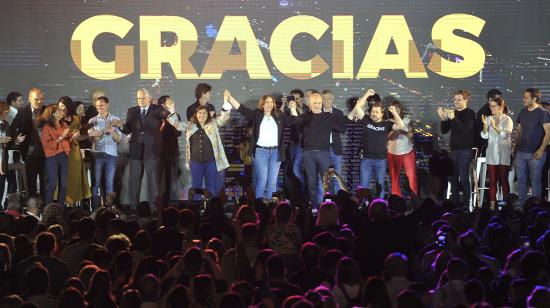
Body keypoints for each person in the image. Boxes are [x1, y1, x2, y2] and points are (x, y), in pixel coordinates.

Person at [226, 90, 294, 200]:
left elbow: (294, 121)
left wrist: (293, 108)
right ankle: (259, 205)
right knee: (262, 179)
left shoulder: (278, 115)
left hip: (276, 152)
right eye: (267, 102)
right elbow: (242, 109)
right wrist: (230, 98)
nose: (270, 104)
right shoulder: (257, 114)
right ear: (262, 104)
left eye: (271, 102)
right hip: (261, 152)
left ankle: (270, 206)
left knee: (272, 180)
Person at [115, 88, 173, 212]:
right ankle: (133, 207)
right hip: (136, 150)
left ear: (149, 98)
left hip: (151, 151)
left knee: (152, 182)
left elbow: (165, 115)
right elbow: (128, 129)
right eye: (138, 98)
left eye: (143, 98)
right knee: (134, 181)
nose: (140, 100)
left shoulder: (156, 109)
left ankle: (153, 208)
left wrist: (170, 110)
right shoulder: (132, 111)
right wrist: (120, 126)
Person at [164, 94, 231, 198]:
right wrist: (172, 109)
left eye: (204, 113)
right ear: (196, 114)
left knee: (210, 186)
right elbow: (176, 124)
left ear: (208, 115)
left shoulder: (213, 124)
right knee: (196, 187)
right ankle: (196, 208)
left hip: (211, 162)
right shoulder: (190, 126)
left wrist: (226, 103)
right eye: (199, 113)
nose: (201, 115)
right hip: (195, 162)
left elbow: (223, 118)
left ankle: (210, 208)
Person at [289, 93, 348, 206]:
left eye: (319, 103)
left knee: (325, 181)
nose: (317, 105)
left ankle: (327, 204)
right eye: (315, 103)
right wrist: (292, 109)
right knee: (311, 181)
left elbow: (342, 127)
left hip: (324, 153)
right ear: (310, 104)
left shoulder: (328, 116)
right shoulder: (306, 116)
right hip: (308, 153)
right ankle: (314, 205)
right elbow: (295, 121)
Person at [347, 90, 405, 198]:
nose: (373, 114)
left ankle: (380, 207)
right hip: (366, 160)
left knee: (380, 187)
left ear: (382, 114)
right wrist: (367, 94)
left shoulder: (387, 124)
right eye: (373, 111)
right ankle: (363, 207)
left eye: (377, 112)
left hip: (381, 161)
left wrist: (394, 112)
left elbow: (401, 125)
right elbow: (358, 106)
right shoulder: (366, 120)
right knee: (363, 187)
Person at [437, 90, 476, 206]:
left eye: (459, 99)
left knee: (464, 178)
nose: (456, 102)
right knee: (453, 178)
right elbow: (445, 130)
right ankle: (454, 203)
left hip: (465, 150)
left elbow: (465, 129)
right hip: (453, 150)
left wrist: (453, 118)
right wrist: (444, 119)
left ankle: (466, 204)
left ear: (465, 100)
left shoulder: (470, 113)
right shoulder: (452, 113)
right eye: (455, 99)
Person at [513, 88, 550, 204]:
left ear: (534, 98)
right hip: (521, 152)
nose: (524, 99)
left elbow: (548, 132)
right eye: (524, 97)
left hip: (536, 153)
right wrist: (515, 146)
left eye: (526, 97)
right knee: (521, 180)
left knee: (535, 181)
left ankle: (535, 207)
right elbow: (519, 130)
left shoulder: (542, 113)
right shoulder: (522, 112)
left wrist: (541, 149)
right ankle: (522, 206)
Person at [9, 88, 46, 198]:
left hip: (46, 153)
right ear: (30, 99)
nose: (39, 102)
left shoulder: (47, 111)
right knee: (31, 183)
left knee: (46, 183)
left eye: (42, 99)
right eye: (36, 99)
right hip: (29, 154)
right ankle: (32, 207)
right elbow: (12, 130)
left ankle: (45, 208)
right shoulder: (23, 112)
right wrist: (16, 139)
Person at [87, 96, 121, 209]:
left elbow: (118, 139)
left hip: (111, 155)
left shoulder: (115, 120)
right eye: (97, 106)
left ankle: (109, 209)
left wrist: (111, 132)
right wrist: (101, 132)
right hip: (97, 154)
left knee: (109, 184)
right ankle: (96, 209)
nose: (99, 107)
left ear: (107, 105)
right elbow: (92, 139)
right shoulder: (92, 121)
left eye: (101, 105)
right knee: (96, 183)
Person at [58, 97, 91, 206]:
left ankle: (73, 204)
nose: (61, 108)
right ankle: (61, 203)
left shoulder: (76, 118)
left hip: (74, 151)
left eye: (64, 106)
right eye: (60, 106)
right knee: (62, 178)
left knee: (74, 177)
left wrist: (80, 135)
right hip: (61, 150)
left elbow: (78, 134)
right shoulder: (56, 118)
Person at [480, 97, 513, 209]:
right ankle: (492, 206)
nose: (491, 108)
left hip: (503, 153)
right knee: (492, 180)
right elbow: (484, 136)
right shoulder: (489, 118)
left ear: (500, 107)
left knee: (503, 179)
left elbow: (505, 135)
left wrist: (494, 126)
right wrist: (485, 126)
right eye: (490, 106)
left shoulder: (507, 119)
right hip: (492, 153)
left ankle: (506, 205)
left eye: (494, 106)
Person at [39, 104, 71, 205]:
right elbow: (47, 145)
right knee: (52, 184)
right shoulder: (47, 127)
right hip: (52, 157)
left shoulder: (64, 124)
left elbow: (67, 139)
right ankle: (48, 209)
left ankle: (60, 208)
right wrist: (61, 137)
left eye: (61, 110)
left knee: (64, 185)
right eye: (58, 111)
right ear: (52, 114)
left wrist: (73, 136)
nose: (62, 112)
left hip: (64, 156)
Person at [387, 100, 417, 197]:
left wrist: (401, 130)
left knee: (412, 177)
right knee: (394, 178)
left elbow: (411, 135)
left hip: (407, 151)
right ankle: (396, 199)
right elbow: (390, 137)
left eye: (397, 108)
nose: (395, 110)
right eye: (393, 109)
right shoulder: (388, 122)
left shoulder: (407, 120)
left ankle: (414, 199)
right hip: (393, 152)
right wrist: (397, 130)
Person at [158, 95, 182, 203]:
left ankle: (173, 205)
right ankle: (159, 205)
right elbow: (156, 134)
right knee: (160, 182)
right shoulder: (156, 117)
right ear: (163, 105)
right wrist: (164, 123)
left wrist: (172, 116)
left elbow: (179, 132)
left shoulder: (175, 116)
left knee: (173, 181)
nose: (173, 102)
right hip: (159, 155)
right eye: (169, 101)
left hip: (173, 154)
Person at [0, 102, 24, 205]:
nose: (7, 113)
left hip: (2, 161)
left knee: (1, 186)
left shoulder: (5, 124)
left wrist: (16, 141)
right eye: (6, 111)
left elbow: (9, 143)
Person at [476, 89, 502, 155]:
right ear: (490, 100)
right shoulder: (484, 113)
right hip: (487, 148)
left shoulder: (495, 111)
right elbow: (484, 134)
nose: (500, 102)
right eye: (497, 100)